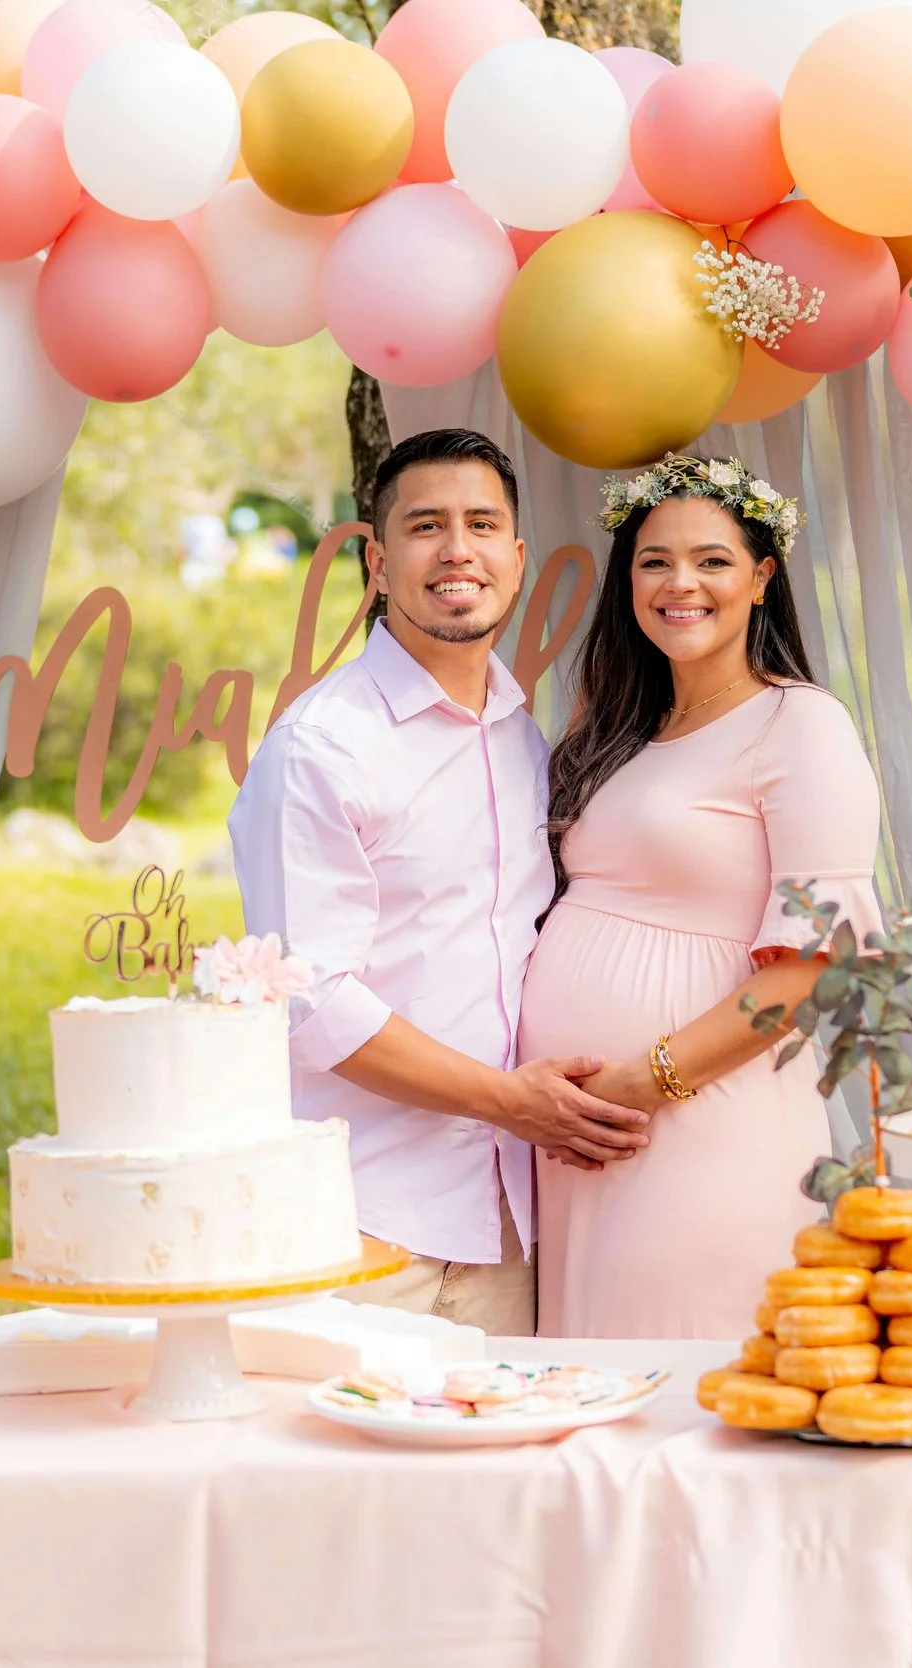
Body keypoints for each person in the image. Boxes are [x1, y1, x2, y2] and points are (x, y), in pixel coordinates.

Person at [227, 429, 649, 1337]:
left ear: (516, 556)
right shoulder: (323, 749)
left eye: (482, 524)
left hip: (511, 1222)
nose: (458, 549)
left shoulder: (519, 734)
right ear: (379, 562)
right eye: (426, 526)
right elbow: (315, 1006)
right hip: (368, 1224)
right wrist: (510, 1102)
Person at [521, 453, 884, 1341]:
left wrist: (640, 1084)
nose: (681, 583)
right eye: (655, 561)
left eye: (712, 561)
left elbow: (813, 967)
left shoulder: (801, 724)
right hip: (582, 1133)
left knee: (683, 1390)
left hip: (700, 1120)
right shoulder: (615, 728)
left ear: (762, 578)